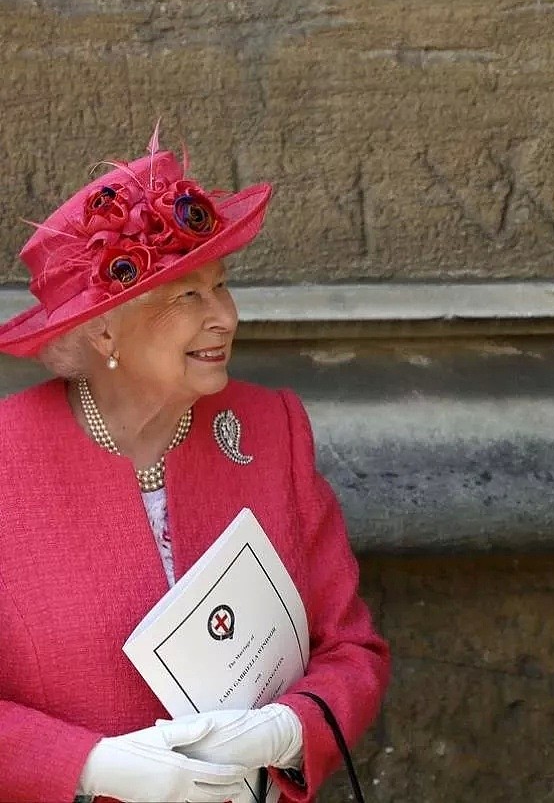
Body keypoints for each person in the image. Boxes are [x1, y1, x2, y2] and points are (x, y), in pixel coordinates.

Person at [0, 129, 390, 802]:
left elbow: (352, 651)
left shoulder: (273, 430)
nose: (226, 317)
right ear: (103, 330)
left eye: (223, 285)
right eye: (188, 297)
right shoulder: (7, 458)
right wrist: (90, 765)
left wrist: (285, 729)